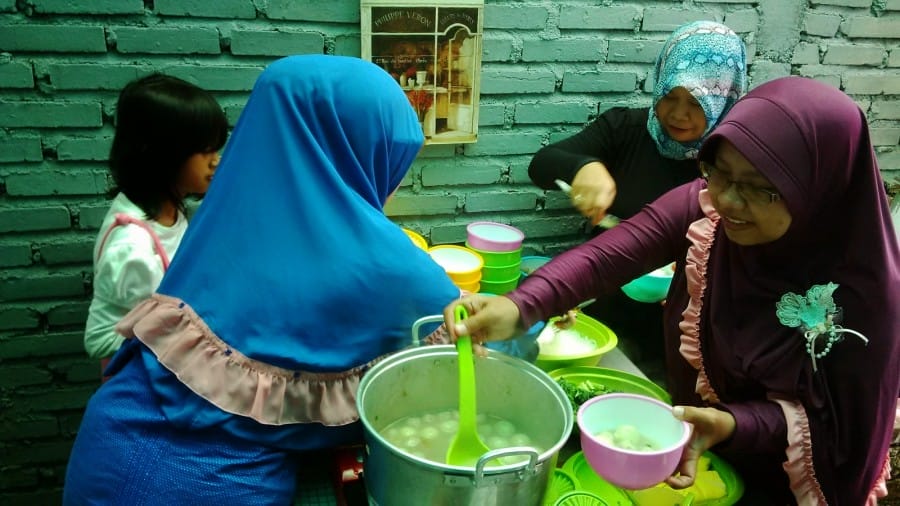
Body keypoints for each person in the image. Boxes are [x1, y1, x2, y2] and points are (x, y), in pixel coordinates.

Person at [444, 76, 900, 505]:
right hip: (695, 446)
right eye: (718, 172)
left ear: (818, 189)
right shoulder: (708, 211)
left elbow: (838, 430)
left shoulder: (866, 302)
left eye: (762, 190)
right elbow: (610, 255)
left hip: (790, 481)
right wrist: (520, 305)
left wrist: (733, 423)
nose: (728, 200)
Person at [63, 55, 462, 504]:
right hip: (206, 487)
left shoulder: (219, 216)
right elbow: (474, 339)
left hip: (105, 448)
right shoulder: (385, 265)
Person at [527, 21, 747, 376]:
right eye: (670, 96)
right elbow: (541, 165)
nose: (677, 114)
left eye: (696, 103)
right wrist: (585, 167)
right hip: (601, 315)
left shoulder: (734, 162)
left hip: (683, 338)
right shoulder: (626, 129)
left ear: (723, 97)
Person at [83, 74, 227, 364]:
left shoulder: (171, 208)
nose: (216, 160)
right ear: (163, 154)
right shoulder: (132, 248)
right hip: (141, 380)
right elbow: (98, 342)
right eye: (204, 150)